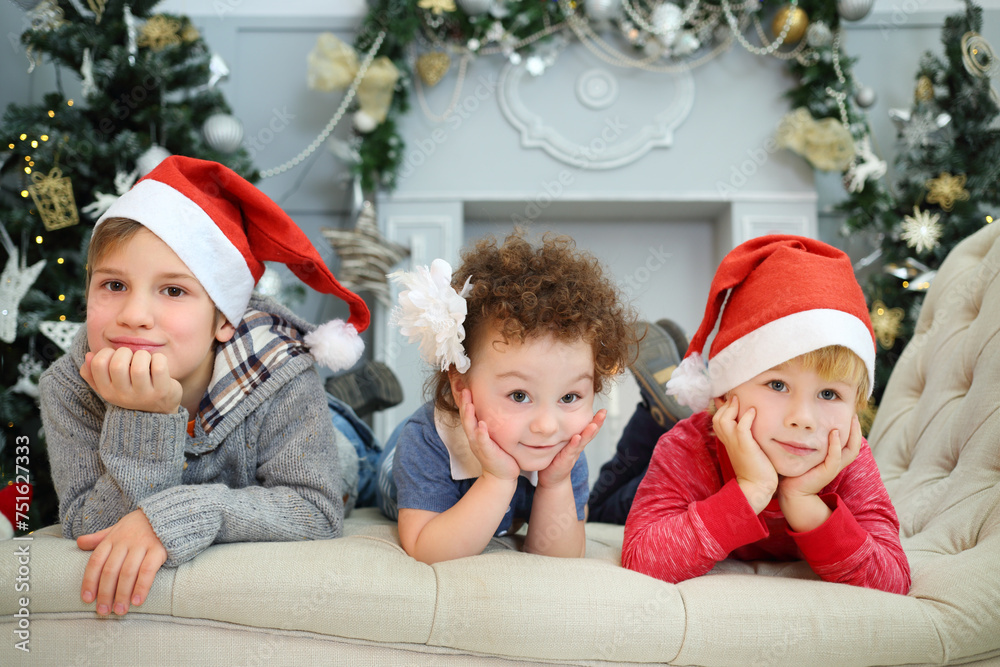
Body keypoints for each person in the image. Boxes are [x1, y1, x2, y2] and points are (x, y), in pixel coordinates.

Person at [39, 156, 371, 617]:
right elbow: (90, 527)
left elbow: (316, 509)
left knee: (357, 458)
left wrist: (187, 514)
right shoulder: (67, 388)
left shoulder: (283, 374)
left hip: (328, 448)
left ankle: (351, 408)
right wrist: (142, 416)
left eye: (173, 291)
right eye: (113, 284)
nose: (134, 314)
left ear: (223, 321)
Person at [621, 235, 911, 594]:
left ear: (856, 408)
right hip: (684, 457)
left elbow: (893, 580)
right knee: (612, 499)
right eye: (777, 385)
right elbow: (642, 558)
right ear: (727, 392)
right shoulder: (687, 448)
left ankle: (668, 406)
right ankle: (657, 413)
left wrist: (804, 502)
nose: (803, 418)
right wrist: (751, 490)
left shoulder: (847, 460)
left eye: (829, 393)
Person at [376, 232, 637, 564]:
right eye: (519, 395)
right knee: (359, 457)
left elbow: (561, 556)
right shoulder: (429, 439)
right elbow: (427, 549)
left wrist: (554, 484)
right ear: (460, 387)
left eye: (569, 396)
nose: (546, 425)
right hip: (390, 462)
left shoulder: (561, 450)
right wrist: (497, 480)